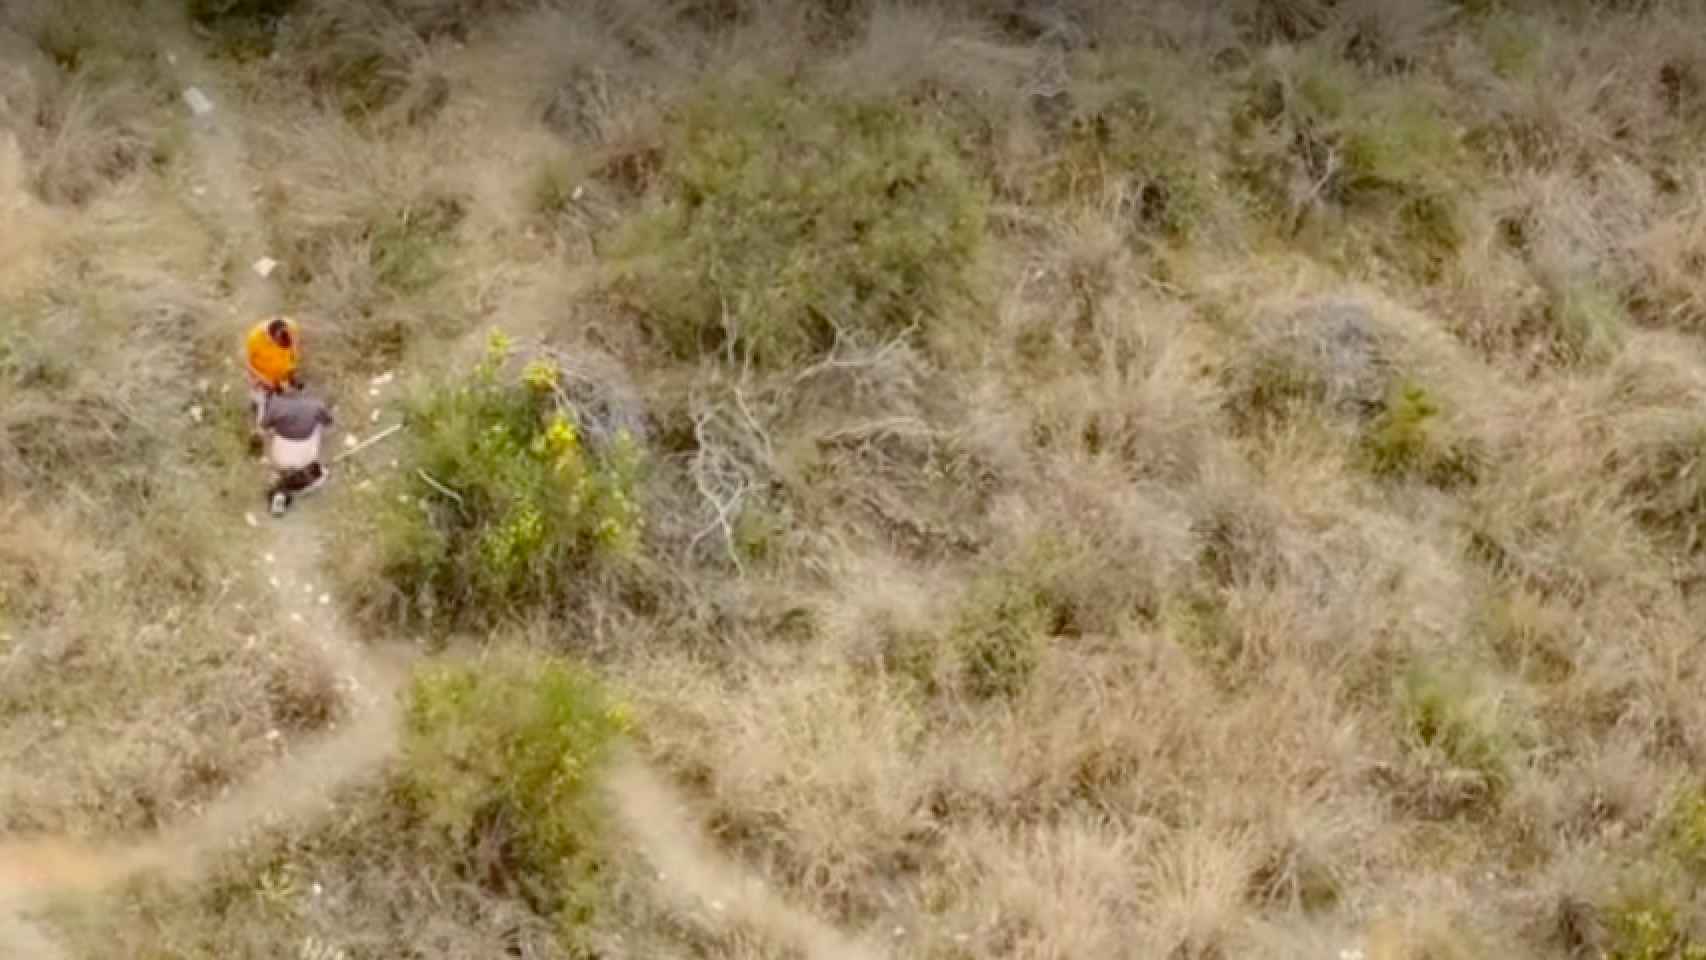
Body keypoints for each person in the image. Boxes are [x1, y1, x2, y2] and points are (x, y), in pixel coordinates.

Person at [261, 384, 334, 517]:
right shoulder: (316, 405)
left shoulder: (275, 405)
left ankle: (281, 487)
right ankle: (305, 473)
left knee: (271, 431)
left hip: (279, 457)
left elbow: (264, 426)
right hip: (306, 458)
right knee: (318, 424)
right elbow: (329, 422)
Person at [244, 316, 301, 443]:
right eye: (280, 345)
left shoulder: (291, 326)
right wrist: (262, 380)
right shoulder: (255, 338)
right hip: (263, 378)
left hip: (282, 374)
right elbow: (247, 364)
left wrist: (292, 371)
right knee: (261, 402)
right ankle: (258, 432)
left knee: (286, 397)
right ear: (271, 338)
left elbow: (295, 348)